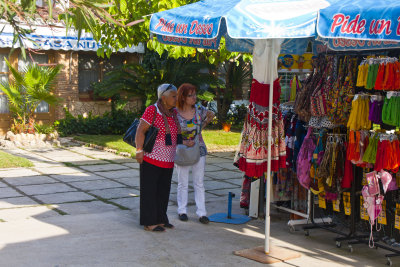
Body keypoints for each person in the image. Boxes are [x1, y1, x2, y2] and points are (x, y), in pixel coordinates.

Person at [135, 83, 182, 232]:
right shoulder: (152, 110)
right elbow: (140, 130)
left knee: (163, 191)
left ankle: (161, 218)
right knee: (149, 190)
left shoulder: (173, 112)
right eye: (173, 96)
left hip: (168, 160)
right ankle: (149, 222)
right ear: (163, 97)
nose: (176, 98)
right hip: (151, 158)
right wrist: (139, 150)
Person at [175, 83, 215, 224]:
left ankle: (202, 213)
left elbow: (211, 115)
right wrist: (184, 142)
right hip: (182, 150)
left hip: (199, 149)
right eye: (190, 95)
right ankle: (182, 210)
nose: (194, 97)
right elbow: (171, 133)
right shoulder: (175, 112)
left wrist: (202, 127)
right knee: (183, 182)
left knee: (199, 182)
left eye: (194, 94)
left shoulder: (199, 110)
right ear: (183, 97)